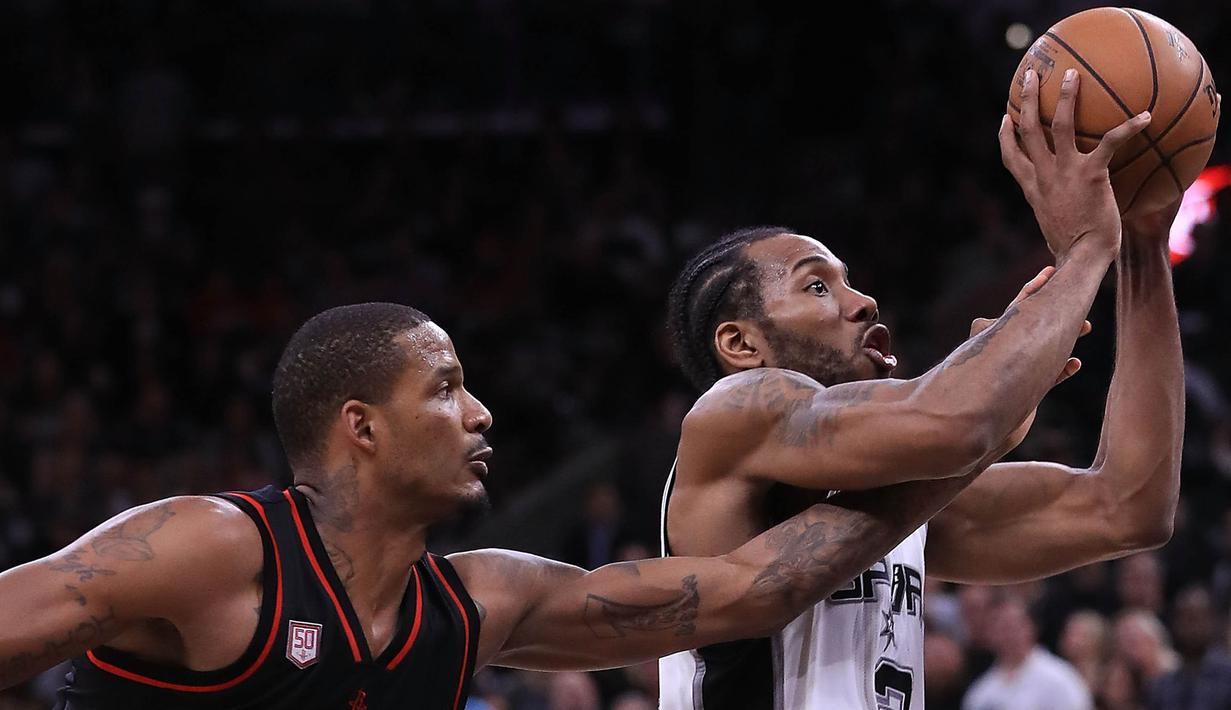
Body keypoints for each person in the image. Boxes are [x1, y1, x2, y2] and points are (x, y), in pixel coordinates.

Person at [0, 302, 1000, 710]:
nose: (479, 411)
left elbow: (746, 590)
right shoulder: (210, 547)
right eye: (443, 386)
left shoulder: (476, 606)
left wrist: (958, 452)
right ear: (360, 424)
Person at [658, 69, 1183, 708]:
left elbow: (1129, 507)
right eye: (816, 285)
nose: (863, 300)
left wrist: (1144, 244)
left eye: (849, 279)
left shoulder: (892, 509)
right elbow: (952, 424)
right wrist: (1087, 247)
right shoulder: (731, 414)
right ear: (742, 345)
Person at [962, 596, 1092, 710]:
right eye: (1002, 627)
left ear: (1032, 627)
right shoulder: (981, 692)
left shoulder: (1059, 678)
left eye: (1015, 625)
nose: (1009, 634)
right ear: (989, 633)